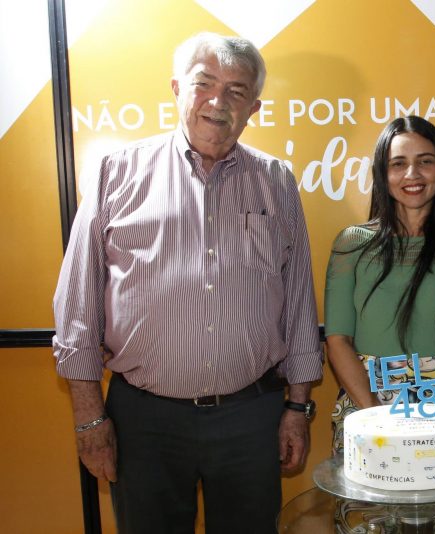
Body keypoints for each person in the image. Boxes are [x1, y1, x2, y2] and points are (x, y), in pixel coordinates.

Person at [52, 33, 323, 533]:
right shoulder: (116, 172)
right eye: (204, 84)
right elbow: (77, 306)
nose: (218, 102)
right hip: (145, 420)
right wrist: (90, 420)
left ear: (254, 107)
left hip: (251, 415)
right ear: (178, 88)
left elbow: (300, 304)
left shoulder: (278, 181)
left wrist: (297, 408)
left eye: (236, 91)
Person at [324, 116, 435, 453]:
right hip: (368, 404)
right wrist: (377, 415)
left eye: (425, 162)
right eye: (398, 164)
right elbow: (338, 340)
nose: (412, 175)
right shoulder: (351, 244)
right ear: (381, 174)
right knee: (373, 506)